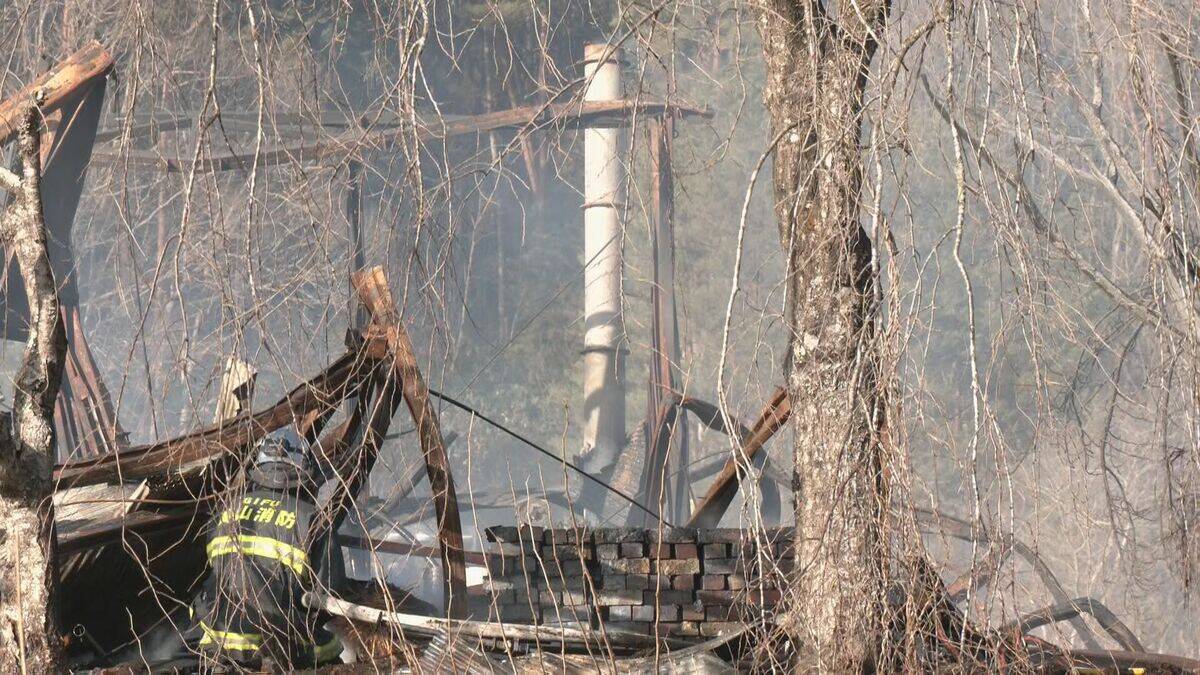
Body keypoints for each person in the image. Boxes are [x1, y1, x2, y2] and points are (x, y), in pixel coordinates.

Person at [190, 426, 344, 669]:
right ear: (302, 469)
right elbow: (329, 597)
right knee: (332, 647)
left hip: (218, 639)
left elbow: (207, 573)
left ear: (260, 467)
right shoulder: (310, 519)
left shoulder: (224, 512)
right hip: (278, 646)